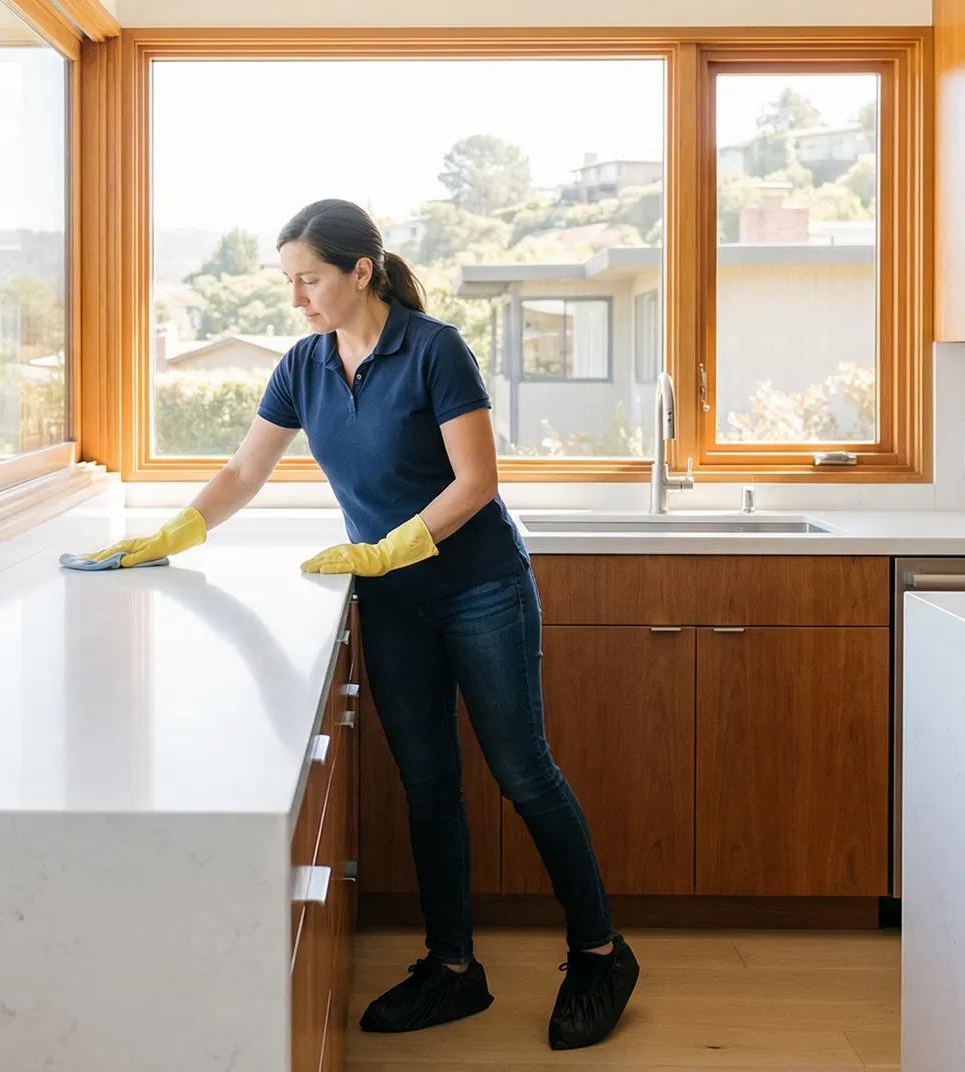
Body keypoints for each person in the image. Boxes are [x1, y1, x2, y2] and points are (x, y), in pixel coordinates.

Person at [78, 198, 638, 1050]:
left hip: (479, 587)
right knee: (426, 783)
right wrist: (173, 532)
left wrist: (389, 549)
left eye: (310, 280)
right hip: (393, 603)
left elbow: (477, 479)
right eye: (291, 282)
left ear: (360, 272)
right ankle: (453, 969)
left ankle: (600, 955)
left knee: (523, 773)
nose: (297, 298)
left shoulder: (433, 349)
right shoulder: (302, 366)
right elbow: (243, 470)